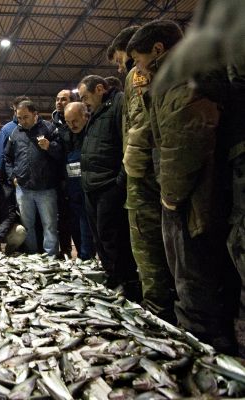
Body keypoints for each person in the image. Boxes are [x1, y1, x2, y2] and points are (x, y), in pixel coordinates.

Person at [127, 19, 237, 354]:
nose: (136, 69)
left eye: (139, 60)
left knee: (192, 268)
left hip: (193, 191)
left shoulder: (179, 74)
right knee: (201, 266)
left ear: (158, 50)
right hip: (198, 186)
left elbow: (183, 138)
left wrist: (171, 197)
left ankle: (203, 347)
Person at [108, 26, 177, 322]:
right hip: (155, 169)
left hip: (151, 172)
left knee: (152, 246)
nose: (123, 65)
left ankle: (162, 313)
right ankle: (162, 307)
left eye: (124, 59)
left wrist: (131, 163)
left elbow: (141, 124)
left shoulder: (140, 74)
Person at [78, 75, 140, 300]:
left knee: (112, 236)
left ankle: (126, 282)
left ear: (100, 89)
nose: (84, 102)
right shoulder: (96, 112)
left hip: (108, 185)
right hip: (92, 186)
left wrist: (120, 181)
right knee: (99, 237)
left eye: (85, 96)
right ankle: (111, 276)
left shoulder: (118, 105)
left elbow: (127, 142)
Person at [4, 100, 63, 257]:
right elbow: (7, 157)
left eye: (26, 117)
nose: (22, 121)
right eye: (19, 118)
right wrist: (13, 177)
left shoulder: (49, 128)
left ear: (35, 114)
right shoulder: (15, 133)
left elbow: (62, 153)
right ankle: (32, 256)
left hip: (46, 189)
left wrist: (50, 146)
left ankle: (51, 256)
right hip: (23, 189)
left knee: (49, 224)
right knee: (27, 225)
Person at [62, 102, 95, 261]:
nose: (71, 125)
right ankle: (83, 258)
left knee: (88, 226)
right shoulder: (66, 135)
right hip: (73, 190)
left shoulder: (93, 133)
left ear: (85, 116)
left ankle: (88, 257)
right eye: (68, 122)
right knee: (76, 225)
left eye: (74, 121)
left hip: (90, 188)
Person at [52, 89, 76, 258]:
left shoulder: (80, 122)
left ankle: (85, 252)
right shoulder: (52, 126)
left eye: (64, 99)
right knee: (62, 217)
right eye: (58, 99)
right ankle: (65, 250)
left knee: (79, 216)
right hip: (59, 178)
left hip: (77, 177)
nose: (59, 102)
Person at [0, 95, 30, 193]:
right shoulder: (7, 130)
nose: (19, 113)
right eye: (16, 110)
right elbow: (1, 158)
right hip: (14, 183)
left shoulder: (38, 128)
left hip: (35, 184)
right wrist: (11, 178)